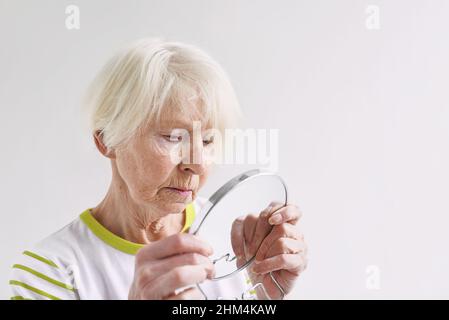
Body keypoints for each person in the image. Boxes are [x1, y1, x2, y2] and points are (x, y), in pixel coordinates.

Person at [9, 38, 307, 300]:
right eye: (173, 137)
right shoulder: (48, 272)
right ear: (106, 141)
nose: (197, 163)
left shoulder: (239, 242)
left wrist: (264, 297)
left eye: (207, 140)